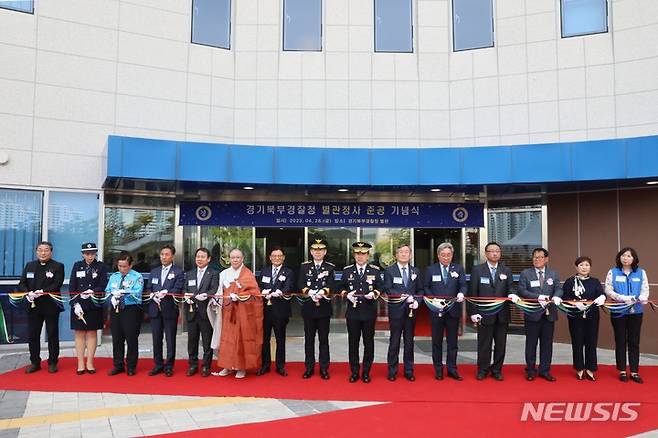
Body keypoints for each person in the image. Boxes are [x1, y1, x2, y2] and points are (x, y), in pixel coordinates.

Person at [468, 241, 514, 381]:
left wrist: (512, 294)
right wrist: (473, 312)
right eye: (492, 251)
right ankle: (483, 369)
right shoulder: (477, 270)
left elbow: (510, 288)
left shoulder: (506, 270)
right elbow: (472, 293)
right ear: (486, 253)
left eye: (497, 251)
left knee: (500, 345)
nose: (495, 253)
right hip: (484, 314)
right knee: (484, 344)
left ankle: (497, 370)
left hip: (502, 314)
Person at [340, 242, 383, 383]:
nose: (360, 256)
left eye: (363, 253)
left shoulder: (375, 270)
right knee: (353, 343)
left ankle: (366, 372)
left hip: (369, 312)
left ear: (368, 255)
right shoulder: (347, 271)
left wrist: (374, 294)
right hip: (352, 313)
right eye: (357, 253)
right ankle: (354, 372)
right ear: (354, 255)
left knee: (368, 343)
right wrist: (346, 294)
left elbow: (381, 288)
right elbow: (340, 287)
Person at [422, 242, 467, 381]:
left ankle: (452, 369)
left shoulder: (458, 268)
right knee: (437, 341)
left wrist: (461, 293)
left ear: (452, 255)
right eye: (443, 255)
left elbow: (463, 285)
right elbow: (426, 287)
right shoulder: (431, 269)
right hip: (436, 310)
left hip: (453, 310)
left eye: (448, 255)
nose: (446, 258)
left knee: (452, 342)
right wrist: (433, 299)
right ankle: (438, 369)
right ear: (438, 255)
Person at [605, 247, 650, 384]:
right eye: (623, 255)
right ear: (619, 258)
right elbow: (608, 289)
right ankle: (622, 370)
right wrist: (621, 297)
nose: (626, 258)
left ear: (634, 258)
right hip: (618, 310)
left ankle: (635, 371)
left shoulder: (641, 272)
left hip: (635, 311)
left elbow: (645, 289)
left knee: (634, 341)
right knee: (620, 340)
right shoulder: (613, 272)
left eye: (629, 256)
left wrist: (642, 298)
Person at [19, 241, 65, 374]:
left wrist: (42, 291)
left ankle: (52, 362)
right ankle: (35, 362)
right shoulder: (30, 265)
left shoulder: (58, 266)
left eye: (46, 250)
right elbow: (22, 283)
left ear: (51, 252)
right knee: (33, 335)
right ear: (36, 251)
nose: (43, 253)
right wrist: (28, 292)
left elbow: (57, 283)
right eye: (40, 250)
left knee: (52, 334)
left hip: (50, 305)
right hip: (33, 305)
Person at [216, 249, 263, 379]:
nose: (235, 260)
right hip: (228, 312)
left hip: (243, 313)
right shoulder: (224, 273)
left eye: (238, 257)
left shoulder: (248, 274)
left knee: (241, 340)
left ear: (242, 259)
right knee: (227, 340)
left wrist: (240, 296)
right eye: (233, 257)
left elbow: (255, 294)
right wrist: (225, 297)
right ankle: (227, 366)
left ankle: (241, 367)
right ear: (228, 259)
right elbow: (220, 292)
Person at [517, 247, 563, 382]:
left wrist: (556, 297)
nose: (537, 260)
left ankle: (545, 370)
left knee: (547, 344)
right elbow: (521, 290)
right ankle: (530, 370)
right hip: (532, 313)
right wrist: (538, 297)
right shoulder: (526, 273)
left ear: (546, 259)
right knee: (531, 343)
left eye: (540, 257)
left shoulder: (553, 274)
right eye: (535, 257)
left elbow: (559, 289)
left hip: (549, 314)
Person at [562, 256, 606, 381]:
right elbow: (565, 296)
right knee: (577, 342)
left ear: (590, 267)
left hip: (592, 316)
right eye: (581, 265)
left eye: (587, 265)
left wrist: (602, 297)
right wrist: (575, 304)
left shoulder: (595, 281)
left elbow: (601, 294)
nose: (584, 267)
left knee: (591, 342)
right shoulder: (570, 281)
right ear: (576, 267)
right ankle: (579, 368)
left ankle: (591, 368)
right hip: (575, 316)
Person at [383, 244, 422, 381]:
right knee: (394, 341)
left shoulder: (416, 271)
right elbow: (388, 289)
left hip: (411, 311)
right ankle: (392, 370)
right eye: (401, 252)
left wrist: (417, 300)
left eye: (406, 252)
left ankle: (409, 370)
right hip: (396, 311)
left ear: (410, 255)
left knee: (409, 342)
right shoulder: (389, 271)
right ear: (396, 255)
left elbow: (420, 290)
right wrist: (404, 296)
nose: (404, 254)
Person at [297, 238, 335, 379]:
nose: (317, 253)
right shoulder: (304, 267)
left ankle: (324, 368)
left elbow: (332, 284)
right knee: (309, 339)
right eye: (315, 250)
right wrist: (310, 292)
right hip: (308, 308)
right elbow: (300, 283)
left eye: (320, 250)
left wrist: (323, 292)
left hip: (324, 308)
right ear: (311, 252)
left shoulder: (330, 267)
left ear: (324, 252)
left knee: (323, 340)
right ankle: (309, 368)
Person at [69, 242, 108, 375]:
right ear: (82, 254)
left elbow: (103, 285)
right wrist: (75, 303)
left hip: (93, 304)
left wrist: (93, 291)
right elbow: (72, 286)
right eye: (87, 253)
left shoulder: (101, 266)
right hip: (79, 305)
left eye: (92, 253)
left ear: (95, 253)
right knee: (79, 333)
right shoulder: (77, 265)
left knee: (92, 333)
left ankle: (90, 362)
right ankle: (80, 363)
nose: (90, 256)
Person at [146, 245, 185, 377]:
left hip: (170, 309)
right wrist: (153, 294)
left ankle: (169, 365)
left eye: (167, 254)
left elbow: (178, 288)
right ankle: (158, 364)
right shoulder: (154, 271)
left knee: (170, 338)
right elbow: (149, 287)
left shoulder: (178, 271)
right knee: (156, 338)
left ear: (172, 256)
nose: (164, 257)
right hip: (155, 309)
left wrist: (166, 292)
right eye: (162, 254)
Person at [257, 247, 294, 377]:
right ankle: (265, 365)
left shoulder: (288, 272)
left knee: (280, 339)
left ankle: (280, 366)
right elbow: (259, 285)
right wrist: (263, 291)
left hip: (280, 310)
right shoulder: (264, 271)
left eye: (279, 256)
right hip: (265, 311)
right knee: (264, 339)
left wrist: (281, 292)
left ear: (283, 257)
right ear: (270, 257)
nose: (277, 258)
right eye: (274, 256)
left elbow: (289, 286)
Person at [106, 251, 144, 376]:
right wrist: (112, 295)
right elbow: (107, 290)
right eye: (120, 266)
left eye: (124, 266)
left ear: (130, 265)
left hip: (130, 309)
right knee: (117, 338)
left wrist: (123, 292)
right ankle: (118, 365)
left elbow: (137, 293)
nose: (122, 269)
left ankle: (131, 366)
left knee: (131, 338)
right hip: (116, 309)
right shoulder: (114, 276)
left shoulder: (137, 277)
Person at [184, 247, 219, 377]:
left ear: (208, 259)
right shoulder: (189, 274)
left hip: (206, 312)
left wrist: (206, 295)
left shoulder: (214, 273)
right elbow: (184, 289)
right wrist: (186, 296)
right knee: (192, 341)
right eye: (198, 256)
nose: (199, 259)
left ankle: (206, 366)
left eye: (202, 257)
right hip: (192, 311)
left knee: (206, 341)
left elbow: (214, 289)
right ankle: (193, 365)